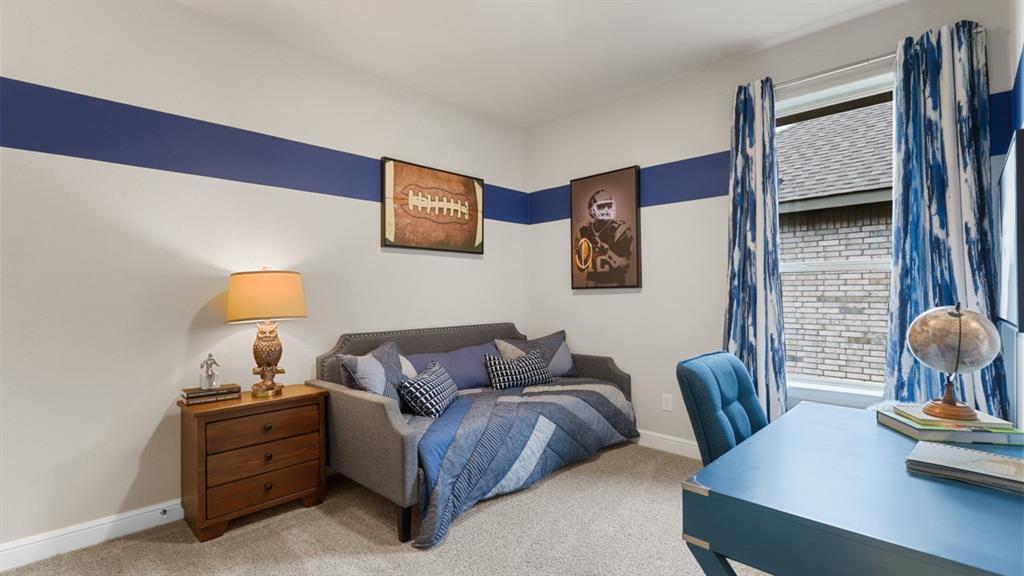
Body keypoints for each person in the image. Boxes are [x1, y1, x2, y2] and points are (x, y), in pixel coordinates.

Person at [574, 189, 634, 287]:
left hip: (616, 286)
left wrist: (607, 252)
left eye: (609, 205)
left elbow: (627, 266)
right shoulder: (583, 231)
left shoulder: (621, 229)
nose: (606, 209)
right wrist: (585, 253)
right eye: (601, 206)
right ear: (592, 209)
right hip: (590, 286)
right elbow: (581, 267)